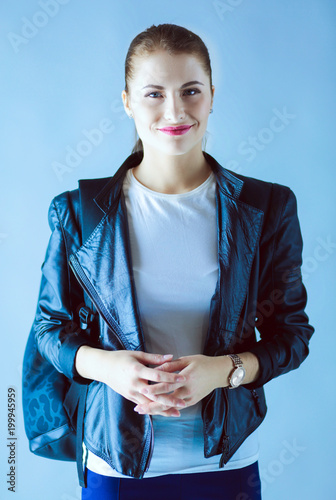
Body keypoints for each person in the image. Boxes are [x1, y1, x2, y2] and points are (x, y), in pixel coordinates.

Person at [33, 23, 314, 500]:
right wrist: (109, 368)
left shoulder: (267, 209)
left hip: (228, 463)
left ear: (211, 97)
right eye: (153, 94)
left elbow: (293, 335)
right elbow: (48, 329)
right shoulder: (78, 213)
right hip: (116, 467)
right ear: (126, 101)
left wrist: (224, 370)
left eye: (190, 91)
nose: (175, 111)